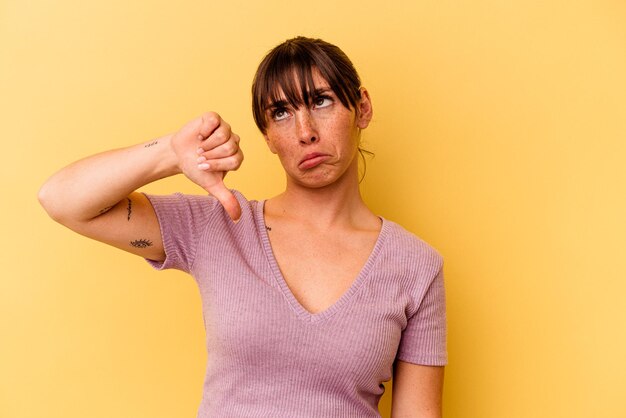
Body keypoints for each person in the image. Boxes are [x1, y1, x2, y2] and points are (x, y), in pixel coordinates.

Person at [39, 36, 446, 417]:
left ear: (363, 108)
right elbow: (62, 200)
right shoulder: (219, 226)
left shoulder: (416, 266)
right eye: (281, 113)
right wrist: (170, 154)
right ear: (267, 136)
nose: (305, 132)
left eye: (321, 101)